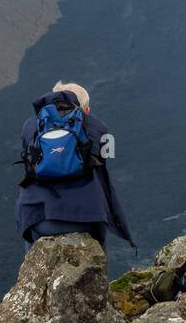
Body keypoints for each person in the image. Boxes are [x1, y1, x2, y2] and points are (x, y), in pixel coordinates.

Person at [16, 80, 134, 251]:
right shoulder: (97, 127)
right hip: (88, 220)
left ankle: (33, 272)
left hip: (41, 220)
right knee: (97, 252)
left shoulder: (30, 126)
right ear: (86, 110)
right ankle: (96, 276)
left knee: (31, 238)